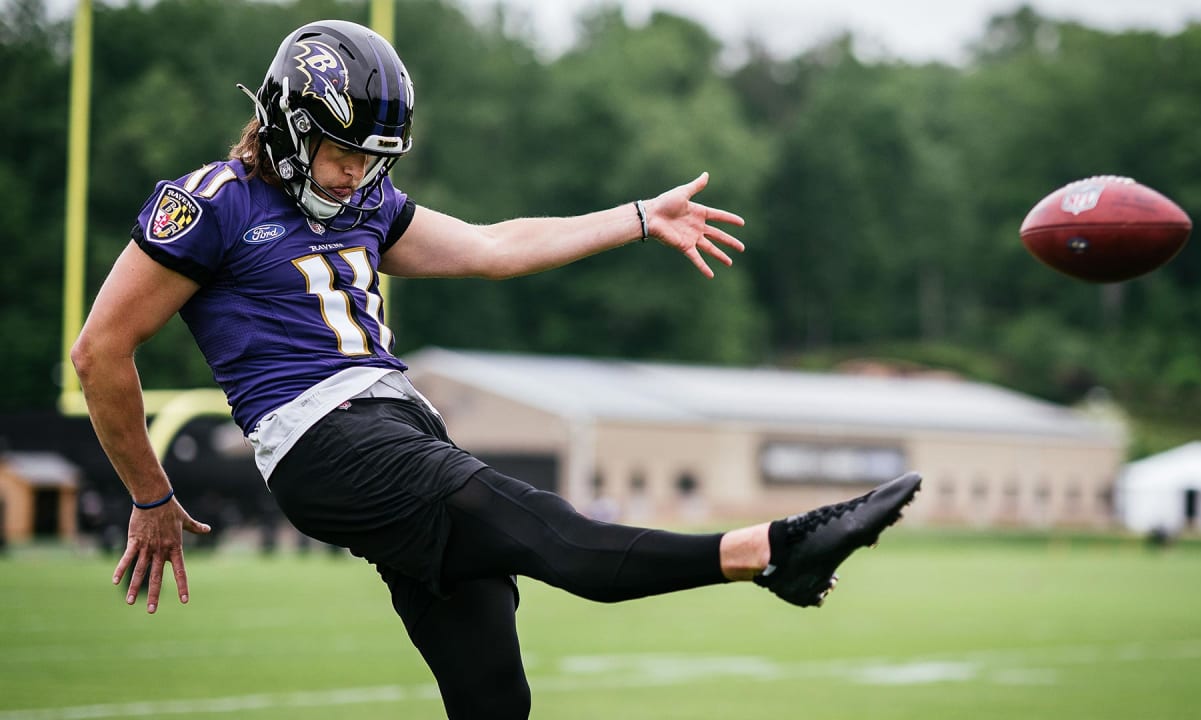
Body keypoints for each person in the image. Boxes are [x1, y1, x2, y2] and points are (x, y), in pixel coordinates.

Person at [71, 19, 922, 719]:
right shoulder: (211, 203)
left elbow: (491, 247)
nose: (358, 171)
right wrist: (149, 495)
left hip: (395, 418)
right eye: (341, 152)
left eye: (374, 156)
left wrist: (633, 218)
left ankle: (771, 557)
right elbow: (100, 350)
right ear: (291, 123)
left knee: (492, 696)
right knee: (555, 535)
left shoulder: (367, 198)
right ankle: (773, 552)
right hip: (325, 441)